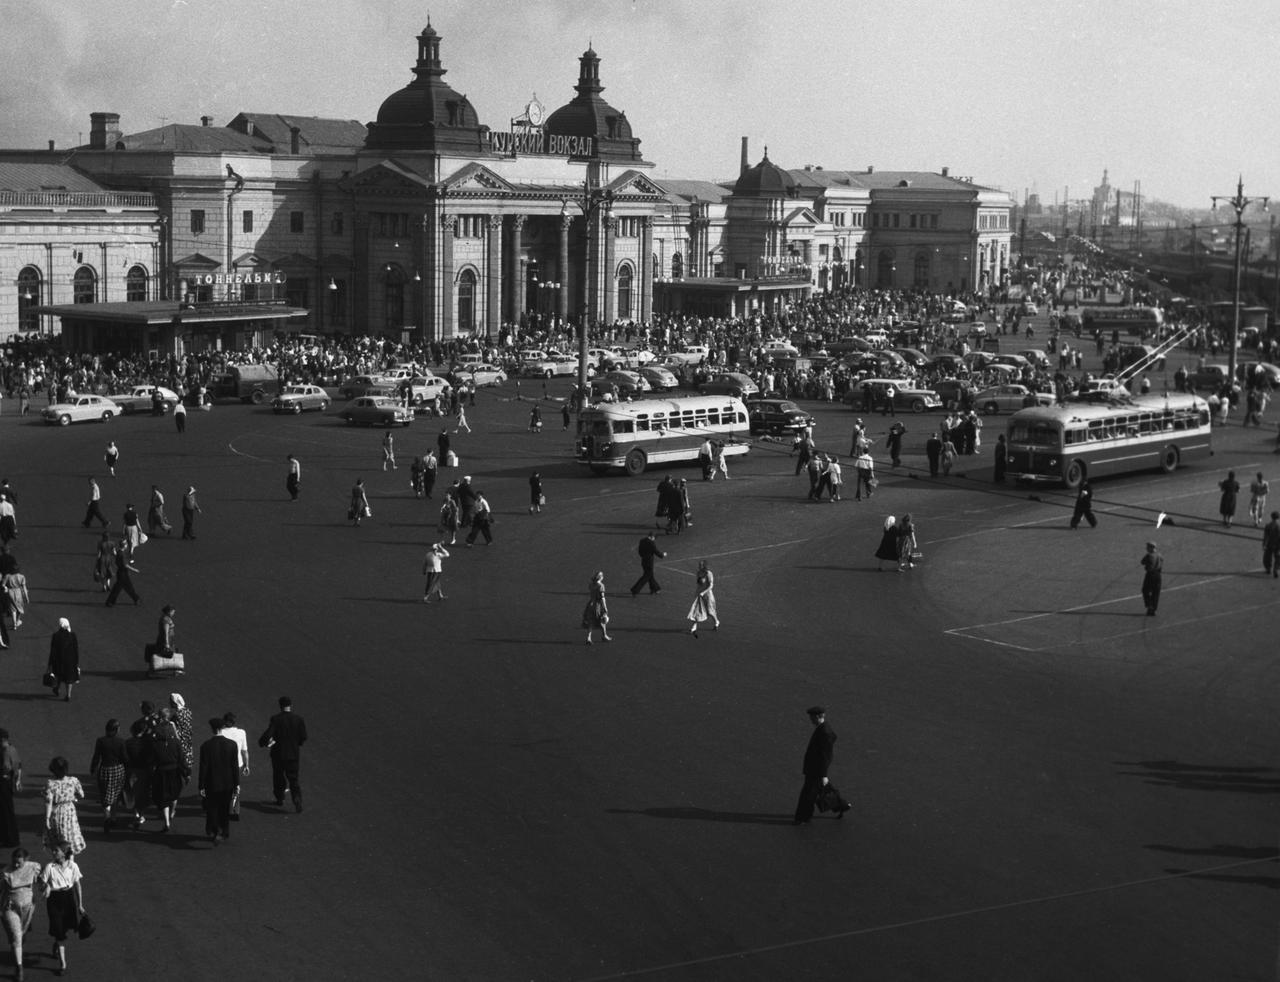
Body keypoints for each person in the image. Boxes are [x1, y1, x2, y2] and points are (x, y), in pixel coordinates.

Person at [793, 706, 849, 825]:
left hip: (816, 771)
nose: (811, 720)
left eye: (812, 717)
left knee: (808, 794)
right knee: (823, 791)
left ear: (819, 717)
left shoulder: (824, 732)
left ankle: (802, 817)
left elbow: (825, 756)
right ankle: (842, 805)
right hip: (815, 769)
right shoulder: (822, 729)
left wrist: (823, 775)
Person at [37, 842, 83, 978]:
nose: (53, 853)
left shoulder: (73, 866)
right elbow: (41, 884)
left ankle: (57, 943)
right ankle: (63, 964)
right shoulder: (49, 867)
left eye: (56, 851)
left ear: (64, 852)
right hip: (54, 901)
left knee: (65, 928)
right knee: (59, 930)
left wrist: (80, 905)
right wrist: (46, 887)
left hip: (68, 898)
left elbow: (77, 885)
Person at [1, 847, 42, 979]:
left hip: (27, 908)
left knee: (21, 933)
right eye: (14, 862)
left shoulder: (33, 867)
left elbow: (41, 878)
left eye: (19, 862)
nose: (16, 865)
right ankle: (19, 967)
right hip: (10, 908)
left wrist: (46, 886)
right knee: (16, 935)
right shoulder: (6, 872)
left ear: (26, 860)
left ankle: (17, 945)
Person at [198, 718, 240, 845]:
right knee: (224, 808)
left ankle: (214, 829)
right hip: (227, 783)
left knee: (212, 808)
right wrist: (237, 784)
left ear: (213, 729)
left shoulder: (206, 746)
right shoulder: (232, 745)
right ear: (222, 728)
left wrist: (201, 785)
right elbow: (234, 766)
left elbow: (203, 768)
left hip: (212, 783)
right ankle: (224, 831)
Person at [88, 721, 127, 833]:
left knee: (105, 795)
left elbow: (96, 757)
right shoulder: (121, 742)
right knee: (116, 794)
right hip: (118, 769)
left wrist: (93, 768)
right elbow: (125, 758)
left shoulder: (101, 741)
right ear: (117, 730)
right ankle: (113, 818)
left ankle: (107, 817)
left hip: (105, 769)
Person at [41, 759, 84, 856]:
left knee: (58, 839)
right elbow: (81, 794)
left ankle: (59, 860)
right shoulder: (73, 780)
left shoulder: (50, 783)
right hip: (69, 811)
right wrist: (73, 798)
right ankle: (70, 863)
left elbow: (48, 802)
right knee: (70, 838)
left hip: (56, 812)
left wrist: (47, 818)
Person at [220, 713, 250, 821]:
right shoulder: (241, 732)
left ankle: (224, 809)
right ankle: (235, 811)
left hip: (223, 766)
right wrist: (247, 765)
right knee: (235, 788)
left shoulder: (220, 733)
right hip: (237, 764)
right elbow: (244, 751)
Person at [47, 620, 79, 702]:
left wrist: (50, 664)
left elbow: (53, 651)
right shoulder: (73, 635)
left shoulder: (56, 635)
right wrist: (76, 663)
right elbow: (76, 650)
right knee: (69, 678)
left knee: (58, 675)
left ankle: (57, 689)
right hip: (71, 660)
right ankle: (68, 694)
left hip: (59, 660)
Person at [686, 560, 719, 637]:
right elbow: (699, 584)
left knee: (710, 612)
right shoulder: (698, 573)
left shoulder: (709, 573)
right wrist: (697, 593)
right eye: (699, 565)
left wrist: (703, 592)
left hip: (707, 595)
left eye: (700, 565)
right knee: (697, 610)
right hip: (700, 595)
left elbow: (711, 586)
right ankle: (694, 628)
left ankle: (716, 621)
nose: (699, 566)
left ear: (704, 566)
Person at [103, 539, 140, 607]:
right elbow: (125, 565)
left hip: (121, 572)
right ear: (125, 546)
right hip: (123, 573)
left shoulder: (119, 552)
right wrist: (134, 570)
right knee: (122, 588)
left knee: (123, 587)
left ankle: (136, 599)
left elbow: (119, 563)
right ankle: (136, 599)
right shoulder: (122, 554)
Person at [0, 732, 20, 849]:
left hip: (4, 785)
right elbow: (18, 765)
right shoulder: (12, 749)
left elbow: (6, 769)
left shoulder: (6, 751)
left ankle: (9, 839)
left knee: (5, 813)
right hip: (7, 784)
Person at [630, 531, 665, 596]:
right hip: (649, 563)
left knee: (650, 576)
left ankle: (655, 589)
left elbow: (640, 551)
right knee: (646, 577)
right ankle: (635, 590)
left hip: (644, 561)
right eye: (654, 538)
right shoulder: (651, 543)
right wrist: (663, 555)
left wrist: (644, 556)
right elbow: (656, 552)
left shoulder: (642, 541)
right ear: (652, 537)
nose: (654, 540)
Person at [149, 605, 177, 679]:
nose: (174, 613)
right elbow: (165, 632)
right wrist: (167, 643)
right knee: (160, 654)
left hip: (167, 640)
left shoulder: (166, 618)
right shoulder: (166, 620)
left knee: (165, 653)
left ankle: (175, 669)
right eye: (173, 611)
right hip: (165, 640)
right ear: (169, 611)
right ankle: (152, 671)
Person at [583, 571, 611, 644]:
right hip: (598, 605)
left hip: (590, 604)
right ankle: (604, 636)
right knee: (602, 620)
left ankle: (588, 638)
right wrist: (605, 607)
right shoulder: (601, 586)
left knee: (590, 621)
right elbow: (602, 598)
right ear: (600, 577)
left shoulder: (591, 585)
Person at [2, 563, 27, 632]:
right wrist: (26, 597)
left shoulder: (7, 576)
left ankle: (14, 624)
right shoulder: (21, 577)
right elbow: (24, 588)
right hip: (18, 593)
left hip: (10, 593)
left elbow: (3, 585)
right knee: (20, 608)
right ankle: (17, 621)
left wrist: (6, 588)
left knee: (13, 609)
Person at [1141, 541, 1163, 616]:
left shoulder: (1149, 555)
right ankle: (1153, 609)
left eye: (1148, 547)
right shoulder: (1159, 555)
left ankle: (1149, 605)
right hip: (1158, 575)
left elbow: (1142, 562)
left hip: (1150, 574)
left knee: (1145, 590)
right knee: (1156, 592)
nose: (1146, 548)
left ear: (1151, 548)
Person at [1263, 511, 1280, 579]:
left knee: (1267, 557)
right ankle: (1275, 569)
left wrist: (1264, 544)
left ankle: (1268, 569)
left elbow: (1266, 536)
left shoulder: (1268, 525)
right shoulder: (1279, 526)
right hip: (1278, 545)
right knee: (1278, 558)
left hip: (1269, 544)